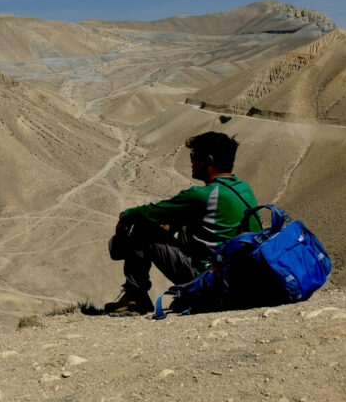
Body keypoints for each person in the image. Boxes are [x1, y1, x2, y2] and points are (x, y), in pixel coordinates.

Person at [104, 131, 260, 315]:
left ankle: (134, 298)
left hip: (209, 278)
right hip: (237, 280)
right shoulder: (243, 189)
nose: (191, 161)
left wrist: (125, 217)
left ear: (208, 160)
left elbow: (149, 212)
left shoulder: (202, 195)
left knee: (142, 228)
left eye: (194, 156)